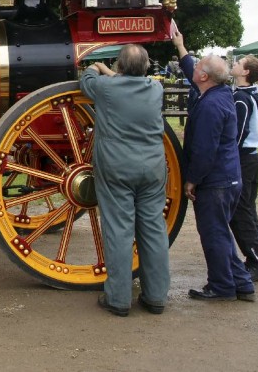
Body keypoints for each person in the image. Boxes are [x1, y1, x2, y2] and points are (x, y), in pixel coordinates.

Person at [80, 44, 170, 316]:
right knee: (153, 230)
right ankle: (155, 297)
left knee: (119, 230)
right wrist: (113, 72)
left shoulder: (106, 89)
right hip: (153, 167)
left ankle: (118, 299)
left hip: (117, 167)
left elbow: (87, 81)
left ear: (119, 67)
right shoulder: (156, 89)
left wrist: (94, 68)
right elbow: (127, 81)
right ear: (146, 68)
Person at [178, 42, 255, 302]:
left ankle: (221, 287)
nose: (195, 67)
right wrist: (181, 48)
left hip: (216, 181)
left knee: (214, 236)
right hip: (227, 177)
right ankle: (243, 284)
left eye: (198, 65)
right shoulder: (218, 93)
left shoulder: (211, 105)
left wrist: (191, 180)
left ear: (203, 77)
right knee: (220, 232)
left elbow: (204, 151)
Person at [231, 56, 258, 281]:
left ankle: (257, 260)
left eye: (239, 63)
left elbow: (237, 134)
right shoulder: (250, 95)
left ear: (245, 72)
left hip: (244, 158)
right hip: (250, 157)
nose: (234, 64)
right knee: (247, 209)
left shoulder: (241, 98)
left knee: (241, 210)